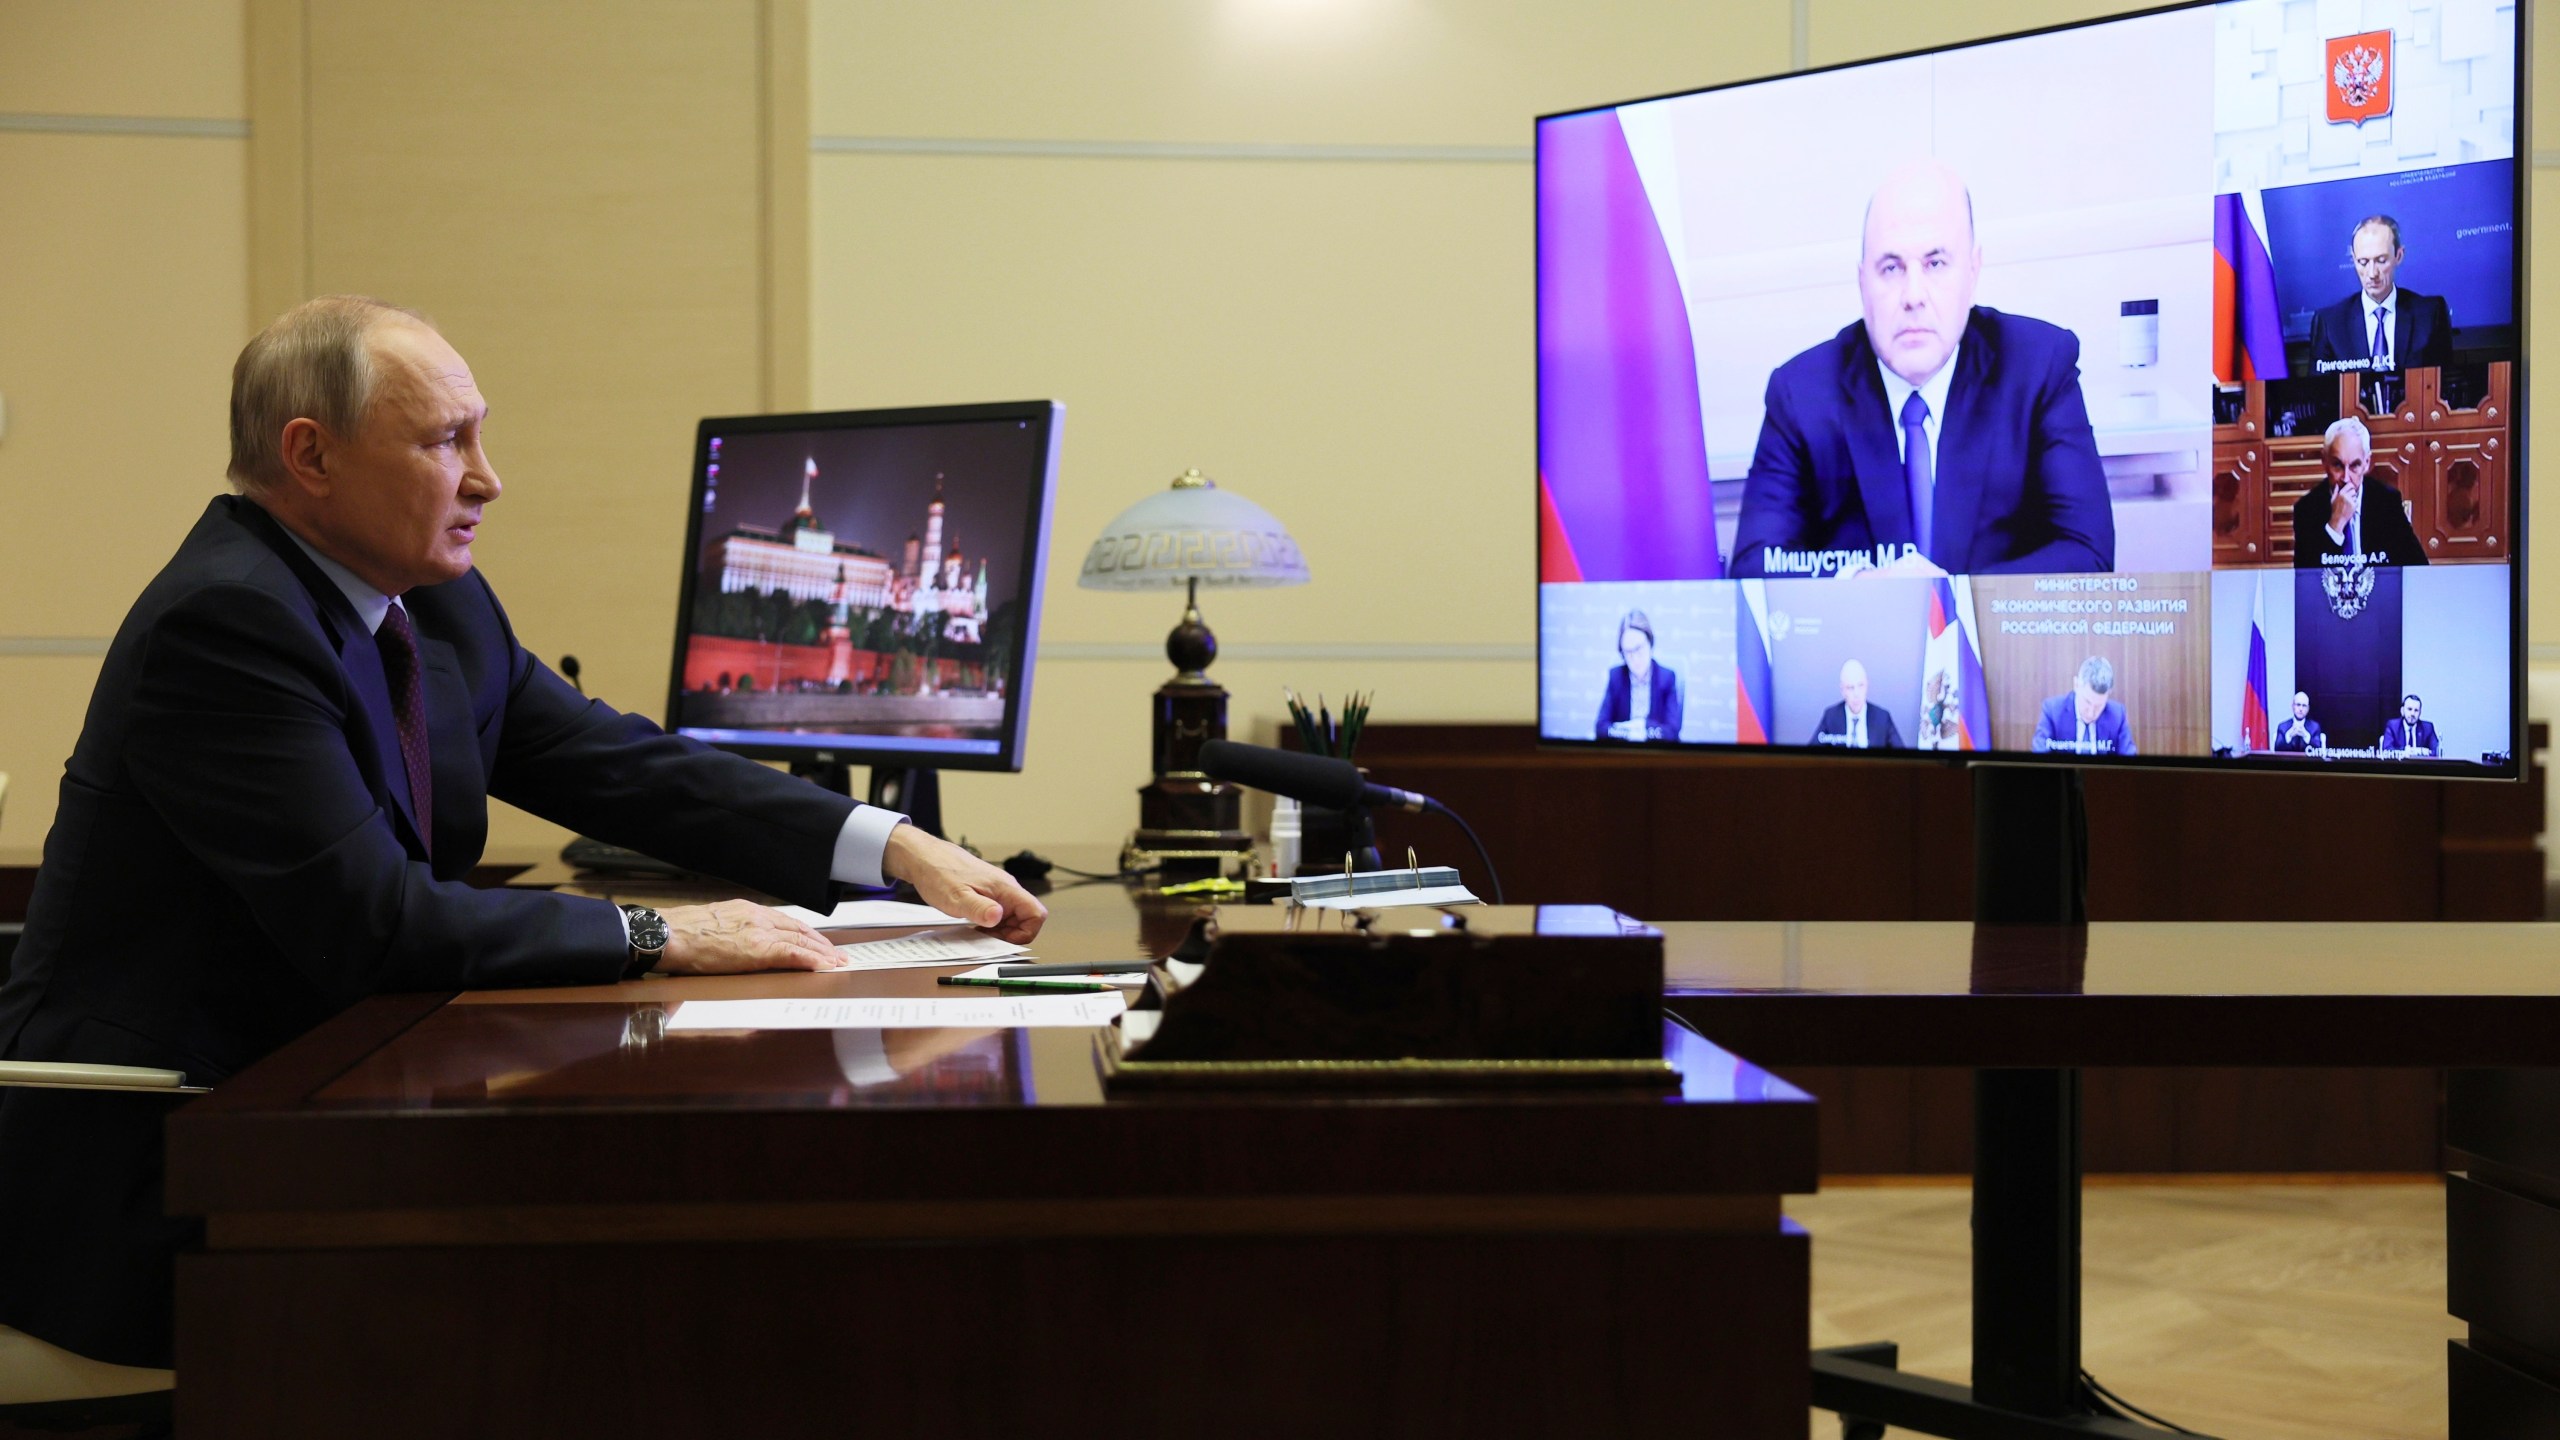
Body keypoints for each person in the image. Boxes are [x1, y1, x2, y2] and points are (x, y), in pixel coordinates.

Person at [0, 297, 1046, 1370]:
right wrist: (660, 934)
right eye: (444, 441)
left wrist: (889, 843)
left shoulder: (432, 605)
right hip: (172, 1158)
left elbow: (615, 763)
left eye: (479, 433)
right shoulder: (226, 625)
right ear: (310, 456)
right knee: (591, 1298)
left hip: (325, 1102)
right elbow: (380, 922)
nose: (487, 477)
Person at [1729, 160, 2114, 579]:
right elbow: (1753, 568)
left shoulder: (2038, 367)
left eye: (1935, 264)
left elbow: (2086, 554)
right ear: (1862, 283)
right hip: (1862, 643)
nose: (1913, 295)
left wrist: (1948, 601)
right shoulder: (1801, 394)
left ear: (1973, 271)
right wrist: (1858, 586)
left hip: (1993, 644)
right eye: (1891, 268)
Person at [2306, 215, 2454, 374]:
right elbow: (2321, 390)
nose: (2372, 273)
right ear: (2354, 261)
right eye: (2363, 262)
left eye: (2381, 260)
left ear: (2399, 256)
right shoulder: (2329, 323)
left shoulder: (2430, 314)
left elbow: (2443, 380)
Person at [2292, 416, 2427, 567]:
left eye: (2355, 465)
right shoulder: (2306, 509)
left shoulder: (2387, 501)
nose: (2346, 478)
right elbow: (2307, 580)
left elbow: (2419, 566)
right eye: (2338, 465)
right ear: (2324, 461)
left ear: (2367, 463)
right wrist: (2336, 525)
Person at [1593, 609, 1682, 741]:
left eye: (1639, 648)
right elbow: (1601, 727)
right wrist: (1628, 731)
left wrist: (1642, 727)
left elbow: (1672, 731)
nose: (1635, 658)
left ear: (1650, 643)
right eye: (1628, 652)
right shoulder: (1616, 676)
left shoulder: (1667, 678)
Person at [2032, 655, 2135, 756]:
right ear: (2076, 685)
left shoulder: (2117, 715)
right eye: (2087, 702)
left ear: (2109, 694)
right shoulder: (2052, 711)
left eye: (2098, 706)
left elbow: (2129, 764)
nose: (2091, 713)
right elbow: (2040, 756)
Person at [1810, 658, 1904, 748]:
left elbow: (1902, 758)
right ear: (1842, 690)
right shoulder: (1831, 716)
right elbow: (1811, 755)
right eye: (1851, 688)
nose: (1856, 693)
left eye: (1861, 686)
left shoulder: (1882, 717)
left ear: (1867, 685)